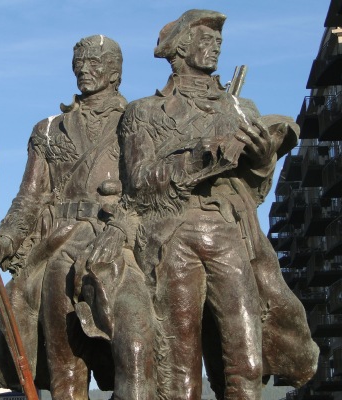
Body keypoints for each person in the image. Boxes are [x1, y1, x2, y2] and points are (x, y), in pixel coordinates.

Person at [87, 9, 319, 400]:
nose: (214, 47)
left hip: (230, 233)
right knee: (180, 368)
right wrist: (201, 158)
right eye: (204, 39)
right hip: (172, 237)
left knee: (246, 360)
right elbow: (140, 183)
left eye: (218, 42)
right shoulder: (142, 112)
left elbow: (255, 194)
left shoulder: (239, 109)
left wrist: (263, 161)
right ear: (178, 48)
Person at [0, 35, 127, 400]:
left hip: (115, 239)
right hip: (62, 243)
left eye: (95, 63)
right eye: (80, 64)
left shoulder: (137, 120)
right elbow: (30, 197)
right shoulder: (48, 129)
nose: (85, 70)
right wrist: (4, 239)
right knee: (65, 367)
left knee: (132, 360)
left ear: (115, 72)